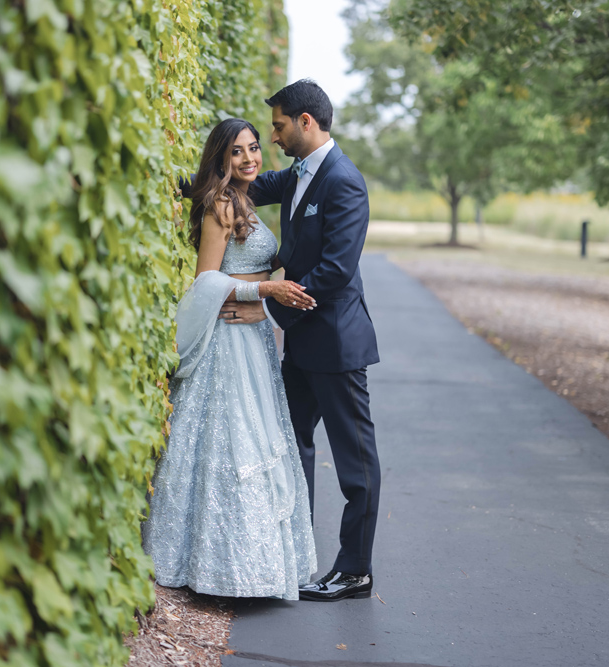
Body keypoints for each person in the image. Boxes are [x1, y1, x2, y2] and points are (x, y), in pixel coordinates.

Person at [219, 80, 381, 602]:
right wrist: (185, 182)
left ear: (306, 122)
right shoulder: (298, 175)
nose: (274, 135)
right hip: (302, 344)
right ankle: (295, 553)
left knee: (355, 464)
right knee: (291, 447)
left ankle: (355, 570)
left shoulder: (344, 181)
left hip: (336, 346)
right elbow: (246, 183)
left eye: (279, 124)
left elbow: (335, 271)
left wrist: (263, 302)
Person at [143, 118, 317, 600]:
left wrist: (266, 293)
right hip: (228, 342)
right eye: (237, 152)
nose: (250, 159)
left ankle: (255, 566)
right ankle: (220, 569)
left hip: (255, 337)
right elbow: (206, 281)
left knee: (259, 439)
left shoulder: (247, 200)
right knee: (233, 444)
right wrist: (262, 289)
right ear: (221, 158)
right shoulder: (221, 204)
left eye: (255, 148)